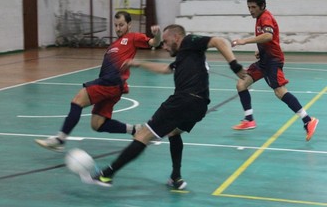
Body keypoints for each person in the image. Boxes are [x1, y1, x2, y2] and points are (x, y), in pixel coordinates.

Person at [80, 24, 246, 189]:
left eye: (166, 42)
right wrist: (139, 63)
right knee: (173, 132)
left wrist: (235, 66)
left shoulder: (189, 41)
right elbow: (166, 69)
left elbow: (219, 41)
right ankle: (176, 178)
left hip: (183, 100)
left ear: (176, 37)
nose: (164, 47)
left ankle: (106, 175)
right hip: (199, 105)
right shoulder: (185, 55)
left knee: (143, 134)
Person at [35, 11, 161, 152]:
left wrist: (157, 34)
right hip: (113, 86)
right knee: (97, 124)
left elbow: (154, 42)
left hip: (110, 82)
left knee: (78, 100)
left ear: (129, 25)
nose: (118, 28)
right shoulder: (113, 45)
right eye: (116, 25)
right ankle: (135, 129)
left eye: (121, 25)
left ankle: (59, 139)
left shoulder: (132, 38)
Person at [231, 0, 318, 141]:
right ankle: (249, 119)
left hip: (273, 61)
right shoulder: (259, 17)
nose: (250, 10)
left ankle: (308, 120)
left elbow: (268, 36)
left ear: (262, 6)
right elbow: (267, 40)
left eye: (253, 7)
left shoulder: (265, 17)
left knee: (279, 91)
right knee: (241, 83)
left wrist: (244, 41)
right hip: (264, 60)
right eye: (249, 7)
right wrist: (260, 51)